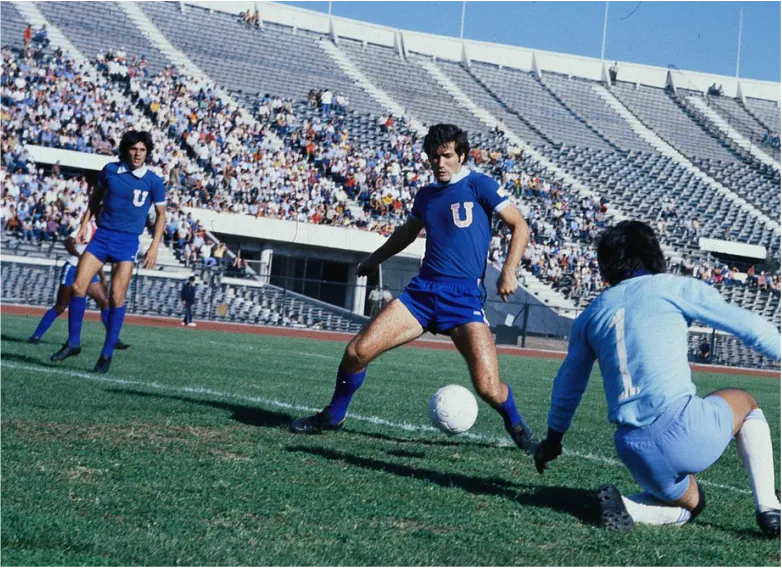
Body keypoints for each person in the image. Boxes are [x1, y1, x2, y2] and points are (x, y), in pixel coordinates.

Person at [290, 123, 538, 453]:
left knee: (489, 387)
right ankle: (332, 416)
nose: (439, 163)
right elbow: (407, 234)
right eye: (434, 157)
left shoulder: (480, 184)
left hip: (463, 299)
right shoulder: (426, 195)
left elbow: (519, 225)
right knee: (356, 353)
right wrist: (372, 259)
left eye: (447, 156)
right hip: (422, 294)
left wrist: (509, 271)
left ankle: (517, 426)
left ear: (461, 155)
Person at [533, 220, 782, 537]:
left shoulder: (589, 316)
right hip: (685, 427)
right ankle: (770, 509)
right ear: (654, 255)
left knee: (693, 503)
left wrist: (552, 441)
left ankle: (627, 505)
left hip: (633, 447)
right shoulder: (673, 287)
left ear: (606, 267)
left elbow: (568, 385)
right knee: (744, 401)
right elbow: (749, 327)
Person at [50, 130, 166, 373]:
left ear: (147, 153)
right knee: (78, 286)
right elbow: (95, 199)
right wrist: (84, 224)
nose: (137, 154)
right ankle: (73, 343)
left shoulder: (153, 180)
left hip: (127, 242)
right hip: (102, 236)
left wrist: (154, 246)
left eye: (142, 150)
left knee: (116, 297)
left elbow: (161, 216)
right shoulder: (110, 170)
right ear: (126, 150)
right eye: (134, 149)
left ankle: (106, 354)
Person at [27, 220, 129, 349]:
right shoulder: (88, 226)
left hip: (89, 272)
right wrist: (79, 256)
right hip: (73, 269)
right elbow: (68, 241)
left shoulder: (106, 231)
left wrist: (102, 277)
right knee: (61, 306)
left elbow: (97, 259)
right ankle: (36, 336)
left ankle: (113, 339)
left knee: (104, 301)